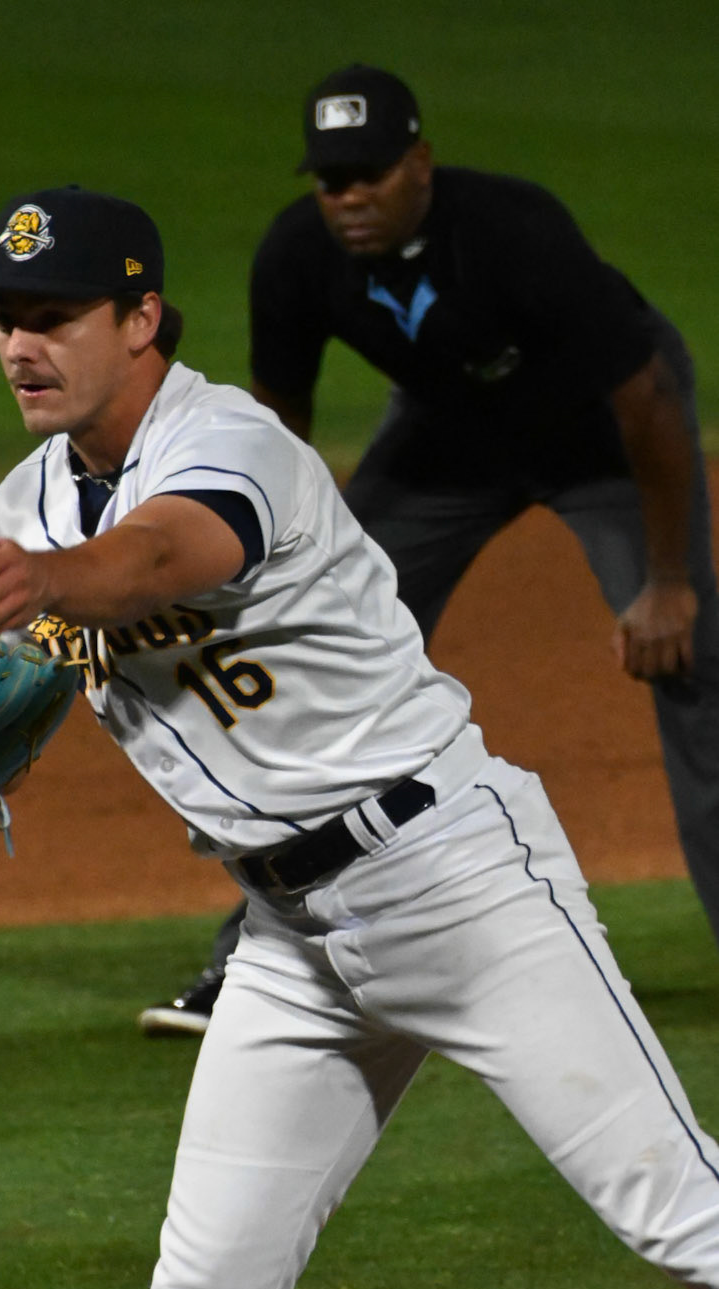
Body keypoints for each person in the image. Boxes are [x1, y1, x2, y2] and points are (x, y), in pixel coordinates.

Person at [0, 183, 719, 1289]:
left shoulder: (232, 446)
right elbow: (66, 612)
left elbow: (164, 554)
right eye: (7, 318)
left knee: (680, 1217)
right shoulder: (26, 499)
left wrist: (54, 587)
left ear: (142, 318)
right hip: (292, 944)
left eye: (56, 314)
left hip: (460, 885)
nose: (22, 344)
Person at [138, 63, 719, 1039]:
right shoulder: (296, 255)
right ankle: (257, 960)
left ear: (420, 163)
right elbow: (270, 439)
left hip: (600, 443)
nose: (349, 198)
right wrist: (260, 583)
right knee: (313, 656)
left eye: (369, 174)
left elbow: (648, 395)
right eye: (332, 180)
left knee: (694, 663)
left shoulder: (512, 231)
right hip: (447, 445)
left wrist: (667, 581)